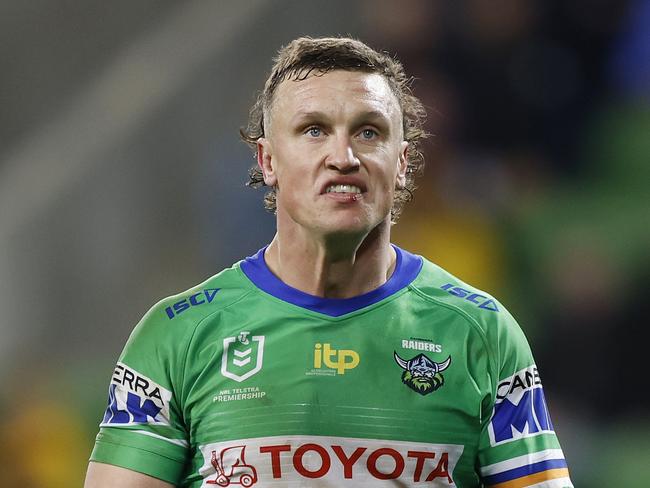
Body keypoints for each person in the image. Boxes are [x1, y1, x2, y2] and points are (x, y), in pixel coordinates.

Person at [84, 36, 573, 487]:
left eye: (368, 132)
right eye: (314, 130)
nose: (343, 156)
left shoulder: (481, 334)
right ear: (268, 160)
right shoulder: (178, 335)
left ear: (401, 162)